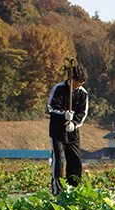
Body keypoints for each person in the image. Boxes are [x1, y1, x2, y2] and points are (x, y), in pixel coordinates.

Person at [47, 62, 88, 195]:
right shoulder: (58, 88)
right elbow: (51, 107)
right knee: (58, 160)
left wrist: (74, 123)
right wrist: (63, 114)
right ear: (71, 78)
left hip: (72, 133)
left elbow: (83, 113)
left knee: (75, 161)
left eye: (81, 83)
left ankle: (73, 189)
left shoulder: (83, 93)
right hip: (57, 131)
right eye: (77, 82)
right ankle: (57, 190)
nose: (78, 86)